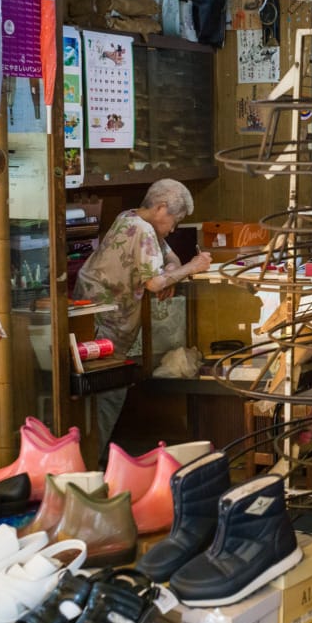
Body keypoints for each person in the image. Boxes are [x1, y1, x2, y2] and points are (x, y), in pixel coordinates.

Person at [72, 179, 212, 449]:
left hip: (99, 323)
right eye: (175, 220)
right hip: (102, 327)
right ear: (161, 208)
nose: (173, 229)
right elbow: (154, 283)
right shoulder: (142, 230)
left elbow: (170, 261)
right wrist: (192, 267)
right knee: (105, 398)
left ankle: (89, 463)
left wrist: (170, 276)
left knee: (102, 398)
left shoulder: (130, 217)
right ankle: (89, 466)